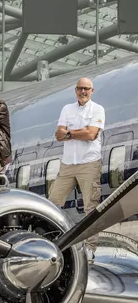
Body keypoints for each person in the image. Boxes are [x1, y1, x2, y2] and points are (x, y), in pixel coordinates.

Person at [49, 77, 104, 261]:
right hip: (67, 163)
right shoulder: (67, 109)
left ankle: (90, 248)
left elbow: (91, 134)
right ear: (75, 90)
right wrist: (74, 133)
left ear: (92, 91)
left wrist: (70, 134)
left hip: (89, 163)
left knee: (91, 207)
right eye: (80, 88)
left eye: (86, 89)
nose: (83, 92)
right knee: (53, 203)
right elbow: (58, 134)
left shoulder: (98, 109)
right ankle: (51, 241)